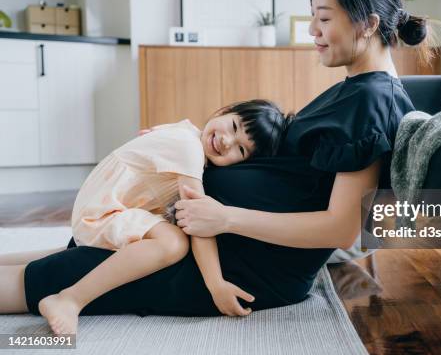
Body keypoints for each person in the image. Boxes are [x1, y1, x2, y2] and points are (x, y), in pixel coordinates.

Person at [0, 0, 433, 322]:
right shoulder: (355, 88)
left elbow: (340, 228)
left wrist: (224, 217)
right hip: (209, 237)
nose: (312, 32)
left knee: (46, 280)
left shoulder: (372, 100)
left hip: (243, 266)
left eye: (323, 19)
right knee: (68, 254)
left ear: (368, 23)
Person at [7, 99, 289, 335]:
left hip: (105, 202)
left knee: (149, 239)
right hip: (104, 207)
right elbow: (197, 220)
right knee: (173, 243)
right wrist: (215, 284)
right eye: (233, 126)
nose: (226, 141)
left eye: (240, 149)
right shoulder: (189, 148)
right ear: (223, 112)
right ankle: (69, 299)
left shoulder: (188, 134)